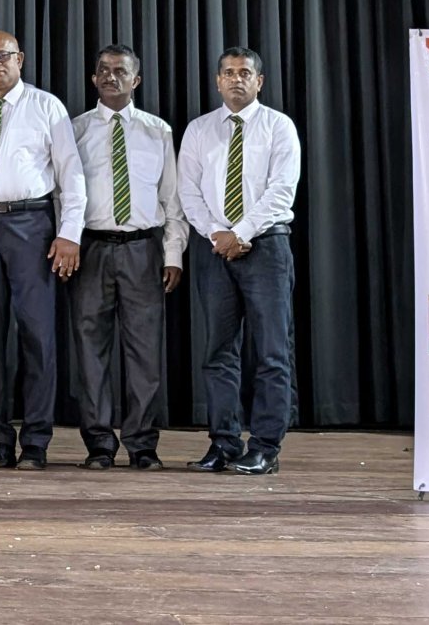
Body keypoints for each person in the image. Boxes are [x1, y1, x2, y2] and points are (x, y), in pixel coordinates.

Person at [0, 30, 87, 471]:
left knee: (37, 335)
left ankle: (36, 442)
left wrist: (70, 233)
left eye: (3, 55)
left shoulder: (46, 107)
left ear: (20, 59)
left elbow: (71, 174)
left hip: (32, 226)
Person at [178, 46, 300, 476]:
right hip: (214, 249)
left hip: (266, 247)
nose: (236, 79)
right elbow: (188, 191)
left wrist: (242, 233)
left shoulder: (279, 127)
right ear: (217, 81)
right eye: (228, 73)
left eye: (244, 73)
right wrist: (218, 234)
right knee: (218, 352)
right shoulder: (199, 130)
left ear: (259, 81)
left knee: (271, 352)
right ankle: (224, 442)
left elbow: (282, 190)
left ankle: (266, 446)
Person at [70, 44, 187, 472]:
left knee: (144, 352)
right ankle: (99, 444)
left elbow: (172, 199)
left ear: (135, 80)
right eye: (102, 70)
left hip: (143, 249)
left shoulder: (158, 131)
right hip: (91, 249)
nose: (110, 76)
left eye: (120, 71)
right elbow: (64, 194)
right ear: (93, 78)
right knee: (90, 350)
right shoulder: (75, 130)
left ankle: (142, 444)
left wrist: (172, 254)